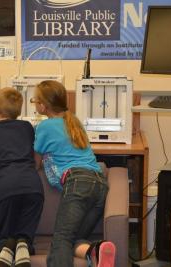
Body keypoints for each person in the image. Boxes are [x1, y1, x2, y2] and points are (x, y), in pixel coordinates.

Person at [31, 80, 116, 267]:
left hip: (78, 183)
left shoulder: (44, 127)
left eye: (34, 100)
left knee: (61, 241)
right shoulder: (74, 121)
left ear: (43, 106)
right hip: (99, 185)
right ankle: (96, 252)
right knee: (73, 239)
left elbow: (35, 163)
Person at [0, 87, 44, 267]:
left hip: (8, 187)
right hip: (34, 187)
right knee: (24, 236)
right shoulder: (27, 127)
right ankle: (22, 245)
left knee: (2, 239)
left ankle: (5, 250)